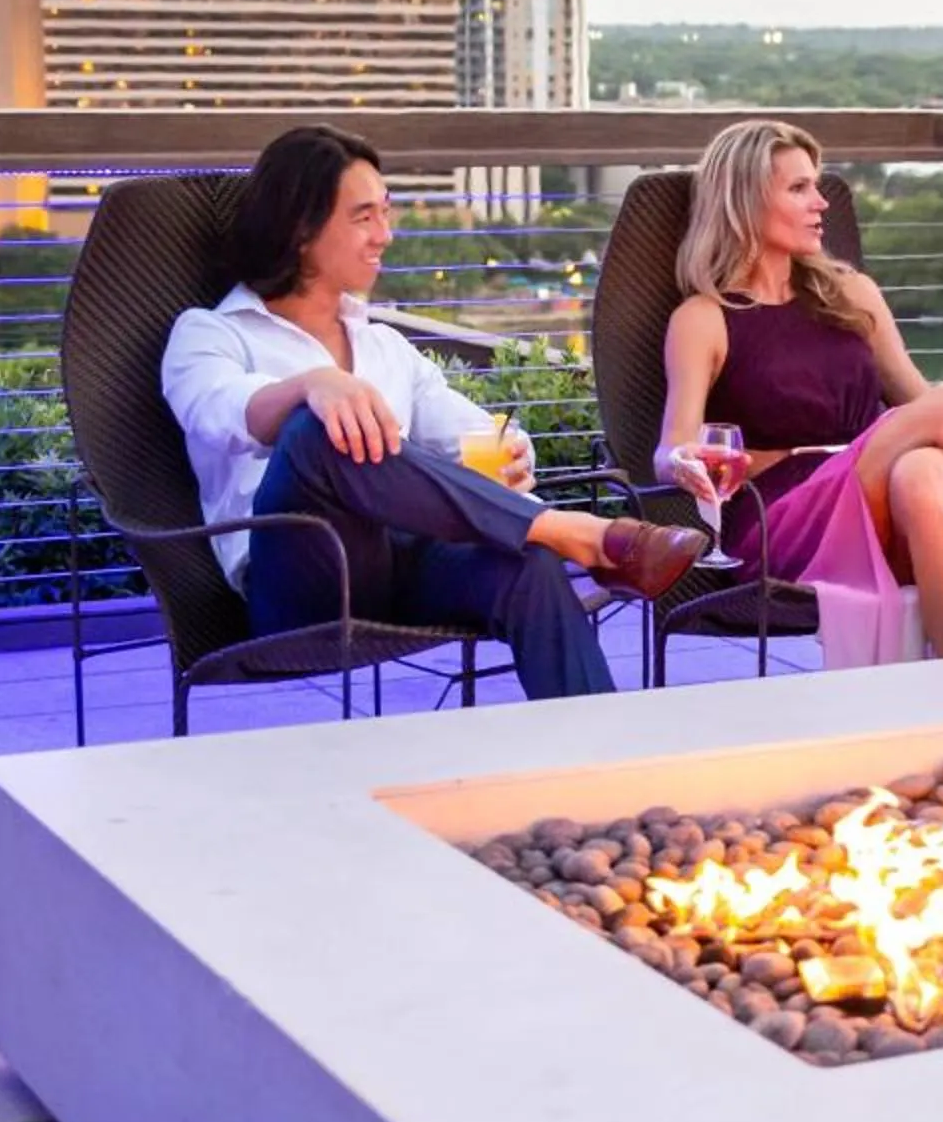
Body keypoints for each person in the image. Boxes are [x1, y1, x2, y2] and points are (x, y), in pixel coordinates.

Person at [160, 125, 707, 701]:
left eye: (386, 213)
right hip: (299, 587)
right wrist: (315, 385)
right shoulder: (210, 333)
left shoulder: (386, 347)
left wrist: (511, 456)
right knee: (319, 427)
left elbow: (479, 433)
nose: (385, 235)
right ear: (301, 227)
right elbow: (217, 413)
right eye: (363, 217)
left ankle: (600, 762)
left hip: (405, 567)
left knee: (532, 567)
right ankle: (581, 535)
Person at [652, 119, 943, 664]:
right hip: (779, 525)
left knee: (927, 474)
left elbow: (918, 405)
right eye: (799, 188)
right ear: (743, 201)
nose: (822, 203)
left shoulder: (852, 294)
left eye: (817, 185)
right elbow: (667, 449)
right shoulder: (703, 318)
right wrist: (685, 462)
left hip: (872, 498)